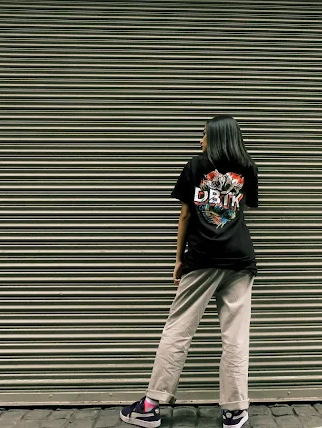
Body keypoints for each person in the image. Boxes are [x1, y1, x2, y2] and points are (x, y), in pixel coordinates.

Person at [120, 116, 259, 428]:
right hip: (240, 259)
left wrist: (179, 258)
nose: (200, 140)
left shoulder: (196, 166)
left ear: (215, 136)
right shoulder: (248, 168)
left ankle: (150, 406)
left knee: (179, 329)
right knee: (236, 337)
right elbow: (240, 210)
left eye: (204, 134)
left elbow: (185, 215)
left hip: (203, 256)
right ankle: (234, 410)